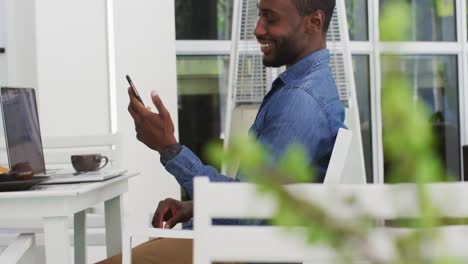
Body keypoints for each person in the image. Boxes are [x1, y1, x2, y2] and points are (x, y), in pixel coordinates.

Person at [98, 0, 343, 263]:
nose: (258, 29)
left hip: (239, 252)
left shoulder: (301, 101)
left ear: (313, 23)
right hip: (237, 244)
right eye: (260, 16)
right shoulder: (302, 89)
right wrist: (194, 207)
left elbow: (250, 211)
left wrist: (168, 147)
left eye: (270, 18)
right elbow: (260, 199)